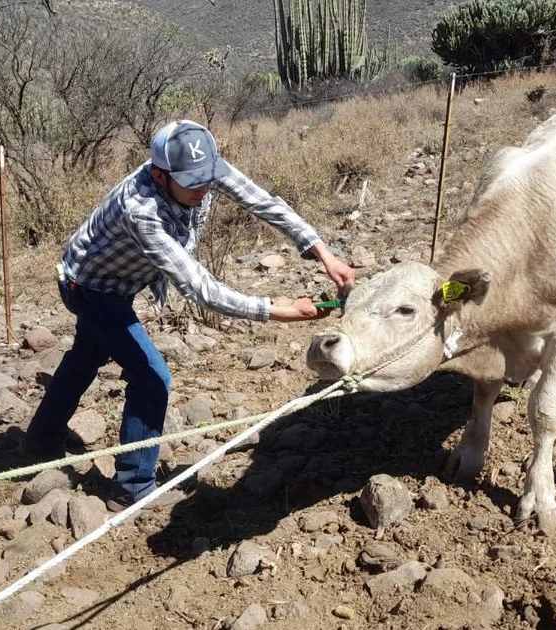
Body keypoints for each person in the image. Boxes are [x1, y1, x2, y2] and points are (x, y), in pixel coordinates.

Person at [19, 120, 355, 510]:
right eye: (192, 182)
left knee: (86, 358)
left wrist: (323, 252)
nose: (203, 188)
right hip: (89, 285)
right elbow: (200, 288)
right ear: (161, 175)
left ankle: (40, 442)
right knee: (151, 375)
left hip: (119, 284)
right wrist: (280, 310)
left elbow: (264, 203)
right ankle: (133, 485)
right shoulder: (140, 209)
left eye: (207, 178)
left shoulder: (203, 169)